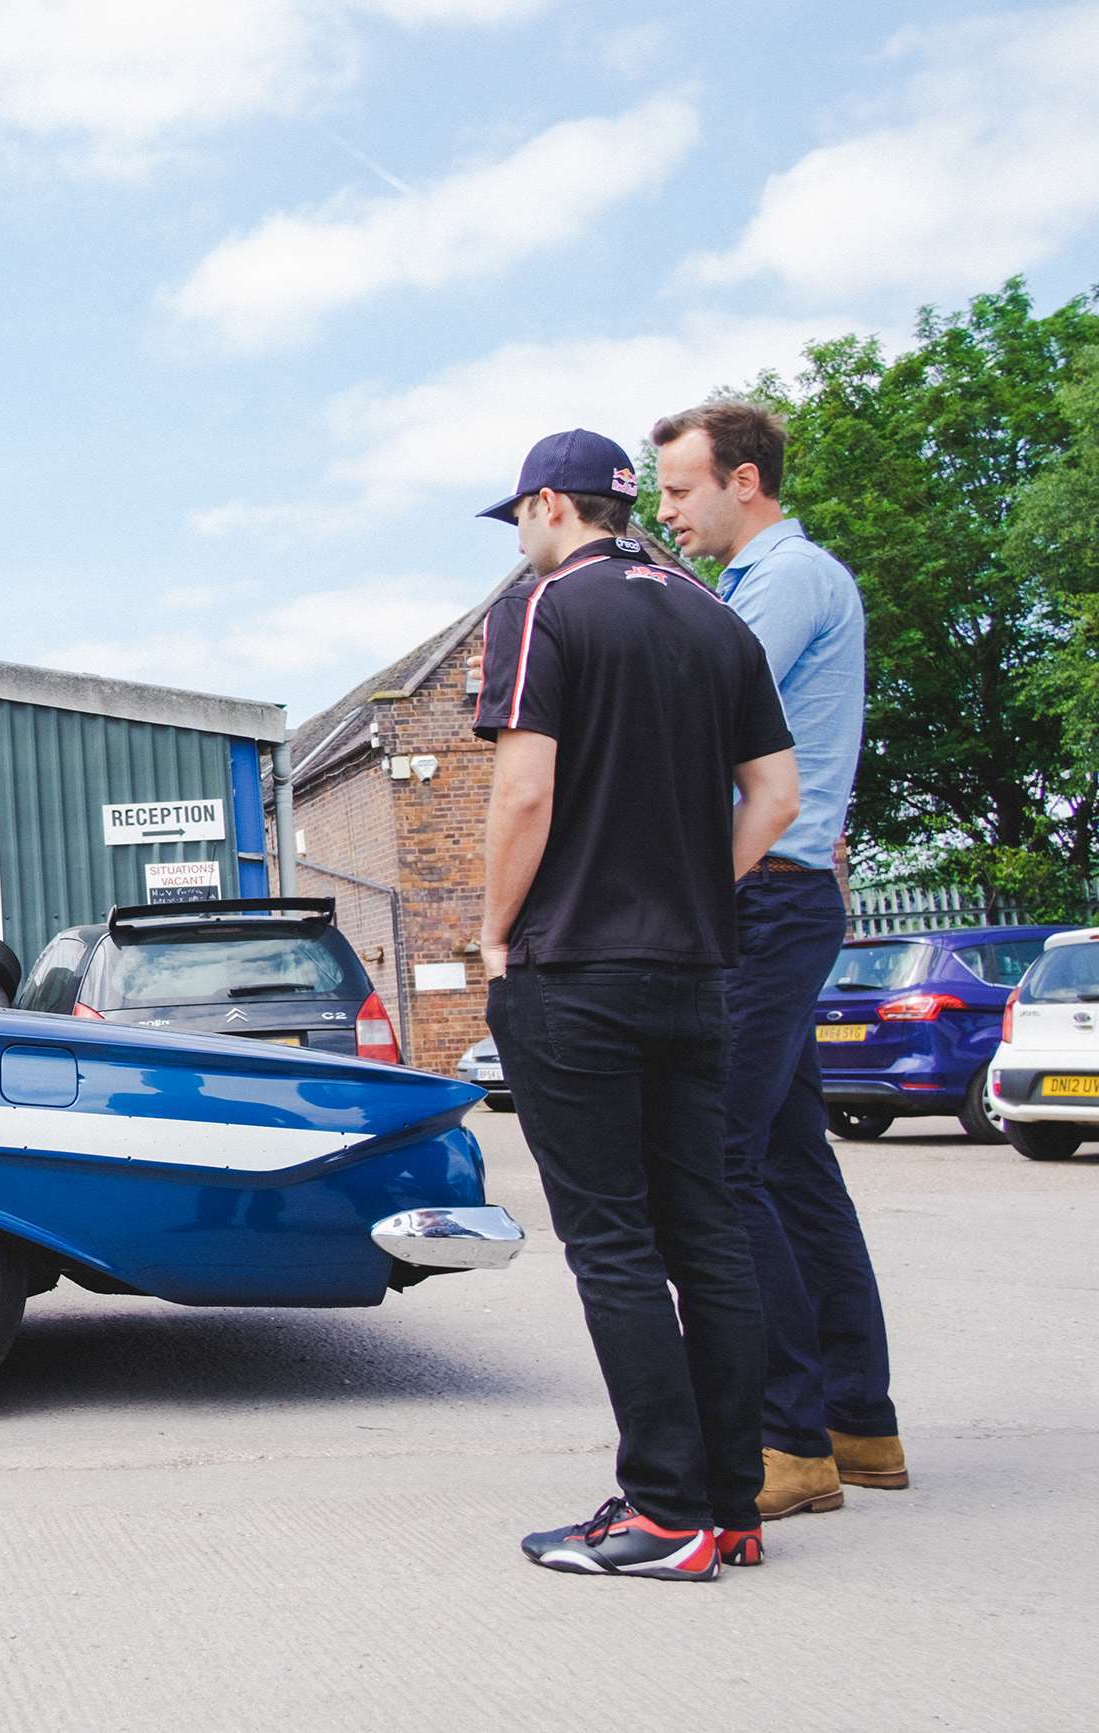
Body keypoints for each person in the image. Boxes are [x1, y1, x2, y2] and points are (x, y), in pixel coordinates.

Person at [473, 428, 801, 1581]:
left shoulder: (543, 608)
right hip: (693, 970)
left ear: (550, 506)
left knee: (610, 1242)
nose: (518, 540)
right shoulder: (715, 619)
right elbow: (776, 791)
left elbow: (522, 790)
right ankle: (729, 1506)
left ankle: (661, 1514)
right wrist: (693, 890)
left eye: (517, 518)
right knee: (704, 1232)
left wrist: (493, 934)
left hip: (576, 971)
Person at [653, 401, 902, 1522]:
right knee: (794, 1165)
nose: (665, 514)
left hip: (765, 900)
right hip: (784, 893)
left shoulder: (786, 579)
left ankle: (787, 1437)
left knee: (719, 1160)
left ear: (741, 480)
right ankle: (858, 1421)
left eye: (677, 490)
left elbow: (697, 710)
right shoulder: (756, 586)